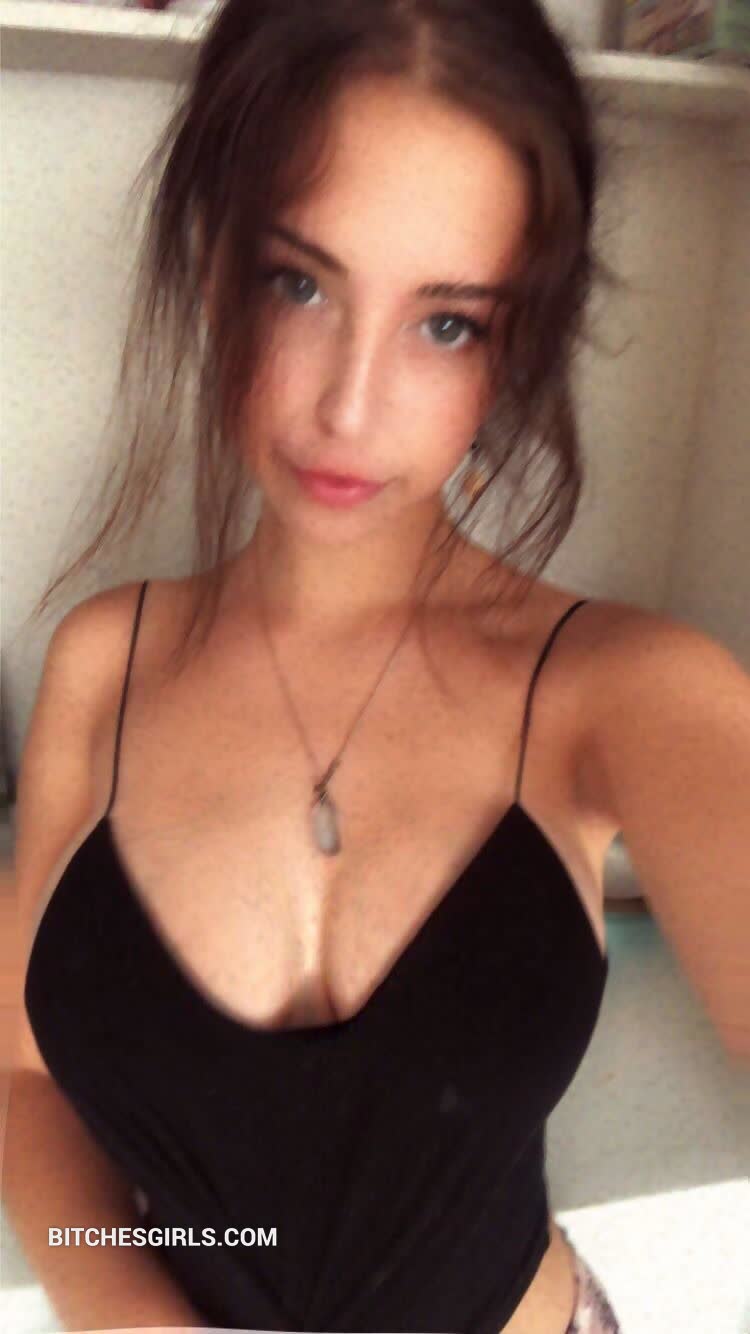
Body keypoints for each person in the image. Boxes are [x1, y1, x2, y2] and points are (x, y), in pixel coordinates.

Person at [6, 2, 749, 1332]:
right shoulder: (101, 667)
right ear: (213, 264)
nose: (351, 405)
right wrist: (131, 1312)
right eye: (299, 283)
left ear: (519, 342)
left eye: (446, 322)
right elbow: (22, 1085)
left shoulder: (623, 690)